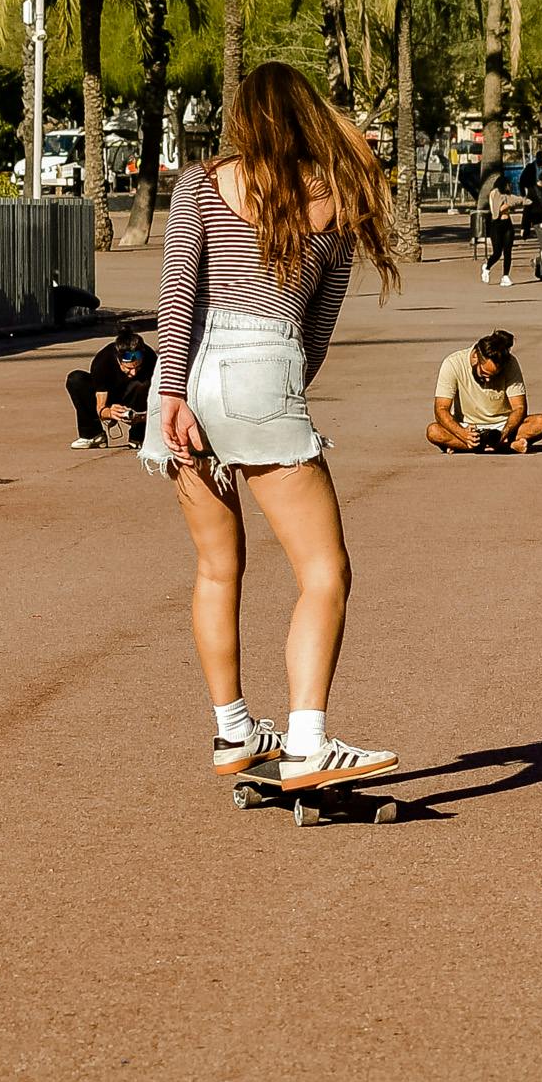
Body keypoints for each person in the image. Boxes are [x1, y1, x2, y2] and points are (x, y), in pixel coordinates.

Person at [145, 60, 402, 795]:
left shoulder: (200, 182)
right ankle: (309, 743)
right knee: (324, 571)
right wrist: (278, 405)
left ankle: (233, 730)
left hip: (188, 376)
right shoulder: (339, 197)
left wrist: (171, 392)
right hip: (265, 369)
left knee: (217, 566)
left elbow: (178, 294)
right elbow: (315, 334)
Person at [430, 329, 542, 452]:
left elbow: (519, 407)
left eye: (494, 376)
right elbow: (441, 409)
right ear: (475, 357)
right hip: (468, 426)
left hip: (503, 426)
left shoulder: (511, 363)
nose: (488, 380)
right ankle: (508, 448)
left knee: (541, 423)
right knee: (434, 431)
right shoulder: (452, 363)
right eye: (484, 373)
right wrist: (462, 434)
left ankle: (469, 447)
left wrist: (505, 433)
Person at [67, 323, 155, 449]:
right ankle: (93, 434)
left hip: (138, 396)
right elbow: (100, 407)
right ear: (119, 360)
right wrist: (109, 413)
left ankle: (139, 435)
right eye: (128, 368)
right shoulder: (103, 360)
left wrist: (144, 417)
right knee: (75, 379)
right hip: (108, 394)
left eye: (138, 367)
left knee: (142, 384)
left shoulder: (151, 358)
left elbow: (159, 397)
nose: (134, 372)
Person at [482, 170, 527, 287]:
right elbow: (496, 210)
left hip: (507, 224)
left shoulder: (508, 196)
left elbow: (518, 200)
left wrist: (525, 201)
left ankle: (505, 276)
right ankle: (487, 267)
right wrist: (509, 204)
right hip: (496, 225)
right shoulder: (494, 193)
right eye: (507, 184)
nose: (509, 186)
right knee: (497, 252)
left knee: (508, 252)